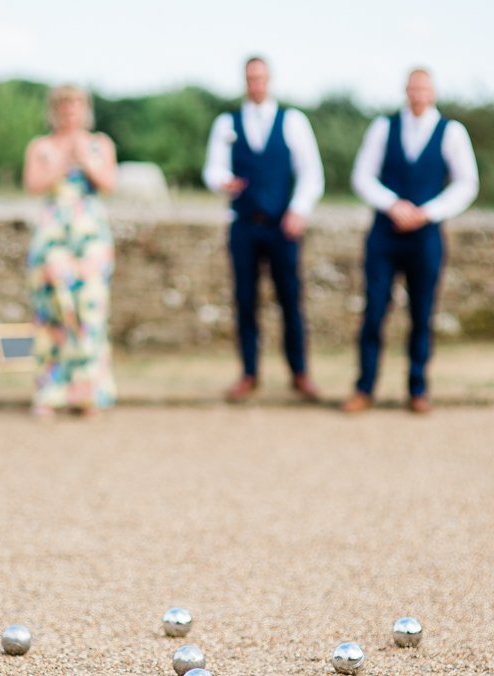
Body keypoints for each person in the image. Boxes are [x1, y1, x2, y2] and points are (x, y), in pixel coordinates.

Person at [343, 68, 479, 414]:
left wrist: (429, 212)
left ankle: (418, 388)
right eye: (413, 87)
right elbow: (362, 175)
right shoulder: (382, 127)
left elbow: (466, 183)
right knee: (374, 311)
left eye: (424, 88)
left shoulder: (451, 132)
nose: (418, 93)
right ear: (406, 90)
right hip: (384, 236)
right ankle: (364, 387)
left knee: (422, 313)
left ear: (432, 92)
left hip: (426, 235)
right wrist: (393, 204)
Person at [203, 56, 324, 402]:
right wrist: (223, 182)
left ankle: (300, 372)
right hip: (243, 225)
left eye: (261, 78)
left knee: (290, 300)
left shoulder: (292, 121)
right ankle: (249, 372)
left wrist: (298, 211)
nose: (256, 84)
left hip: (281, 227)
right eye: (250, 78)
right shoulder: (227, 122)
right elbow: (212, 169)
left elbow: (311, 173)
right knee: (244, 300)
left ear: (269, 79)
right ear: (244, 80)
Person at [23, 85, 117, 416]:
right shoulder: (41, 146)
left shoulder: (100, 143)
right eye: (63, 104)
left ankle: (87, 392)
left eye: (76, 104)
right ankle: (50, 391)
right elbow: (33, 185)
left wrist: (85, 158)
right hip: (53, 235)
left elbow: (108, 185)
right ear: (54, 109)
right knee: (53, 311)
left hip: (90, 234)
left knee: (89, 311)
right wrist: (63, 158)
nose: (70, 110)